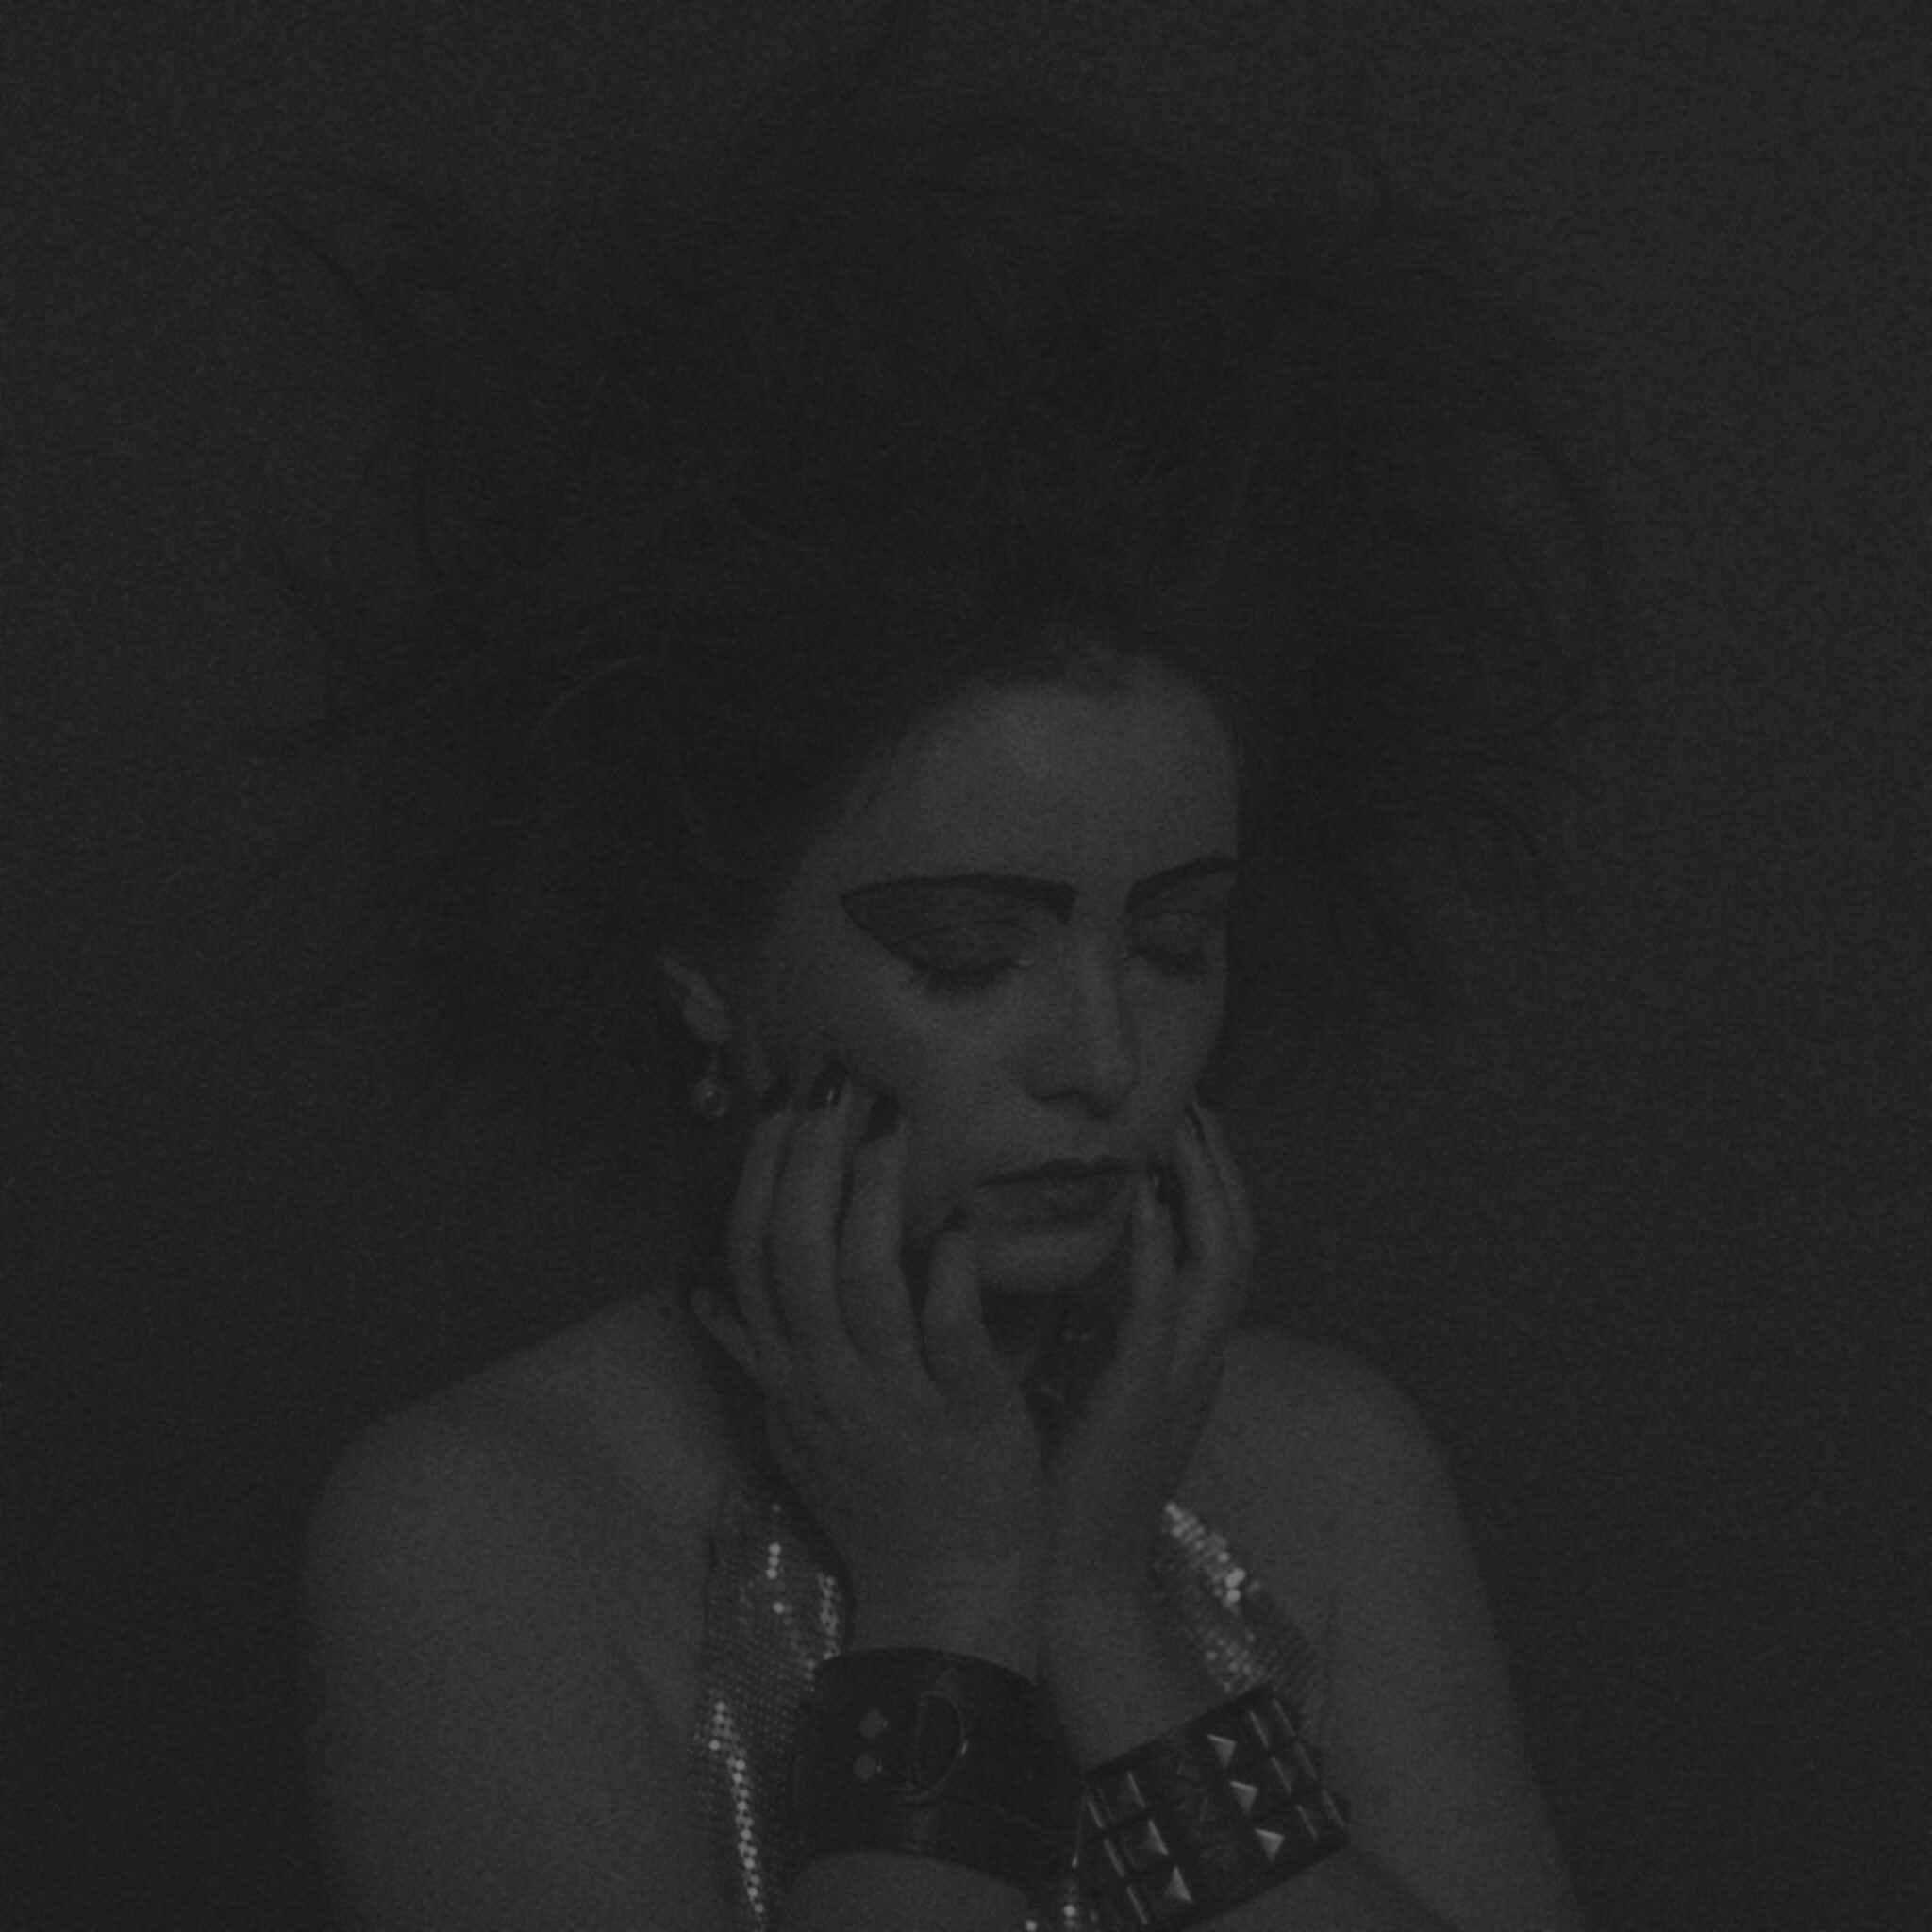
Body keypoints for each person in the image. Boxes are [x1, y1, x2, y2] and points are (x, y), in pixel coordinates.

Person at [242, 5, 1620, 1926]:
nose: (1103, 1054)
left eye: (1178, 942)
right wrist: (951, 1594)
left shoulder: (1330, 1462)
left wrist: (1106, 1604)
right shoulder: (478, 1527)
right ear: (700, 968)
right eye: (970, 956)